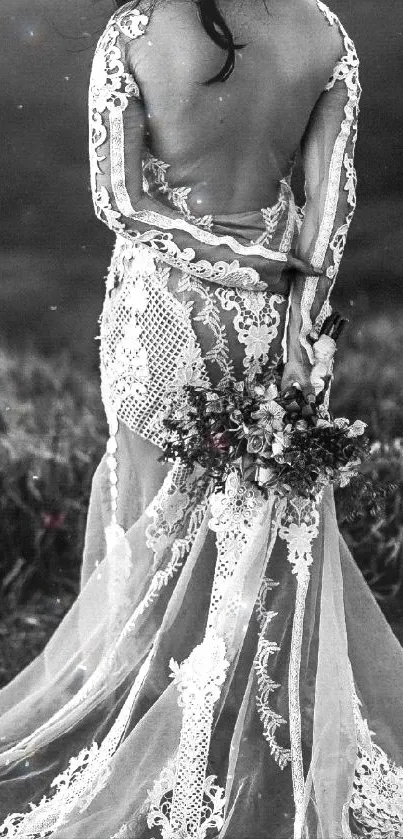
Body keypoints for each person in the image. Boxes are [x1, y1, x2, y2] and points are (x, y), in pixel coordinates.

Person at [1, 0, 403, 836]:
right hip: (272, 316)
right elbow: (329, 209)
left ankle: (143, 719)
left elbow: (119, 200)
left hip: (163, 310)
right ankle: (241, 732)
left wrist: (233, 255)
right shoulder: (324, 32)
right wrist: (298, 313)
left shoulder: (134, 33)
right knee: (259, 504)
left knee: (149, 500)